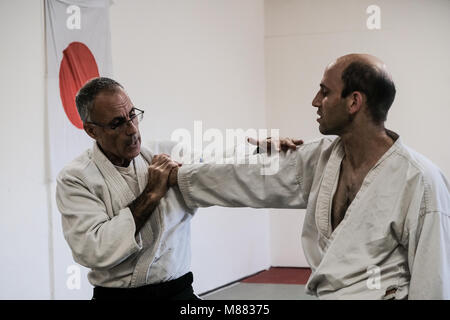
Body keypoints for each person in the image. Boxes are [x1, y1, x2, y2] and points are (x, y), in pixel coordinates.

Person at [168, 54, 450, 299]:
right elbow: (246, 178)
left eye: (324, 92)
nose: (315, 101)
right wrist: (177, 175)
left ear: (354, 101)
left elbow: (433, 282)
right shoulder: (321, 159)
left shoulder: (420, 180)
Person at [55, 77, 199, 300]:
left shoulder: (163, 154)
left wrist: (258, 151)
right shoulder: (76, 178)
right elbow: (94, 249)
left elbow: (216, 167)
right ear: (92, 131)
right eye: (117, 123)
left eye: (132, 115)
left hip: (179, 293)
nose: (132, 130)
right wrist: (151, 194)